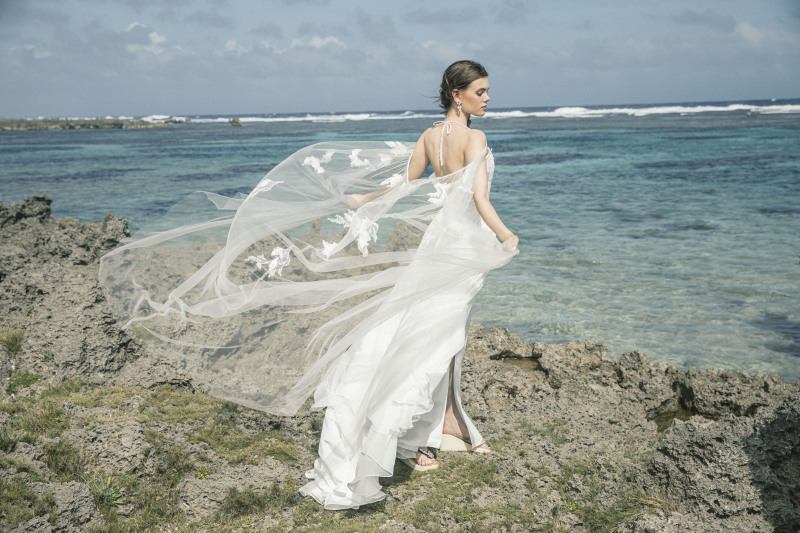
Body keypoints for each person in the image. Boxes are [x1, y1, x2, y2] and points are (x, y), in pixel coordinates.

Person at [98, 60, 517, 511]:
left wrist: (365, 198)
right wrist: (506, 235)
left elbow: (404, 185)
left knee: (428, 333)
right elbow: (479, 198)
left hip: (437, 244)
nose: (487, 98)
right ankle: (410, 434)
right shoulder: (475, 138)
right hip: (462, 245)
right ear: (457, 94)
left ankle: (440, 427)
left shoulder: (430, 137)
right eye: (480, 91)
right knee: (437, 338)